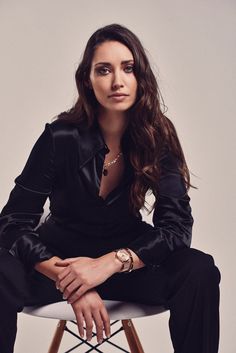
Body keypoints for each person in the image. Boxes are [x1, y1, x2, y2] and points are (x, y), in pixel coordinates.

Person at [0, 23, 221, 353]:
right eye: (103, 70)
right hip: (56, 264)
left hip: (125, 265)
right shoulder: (59, 137)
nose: (117, 81)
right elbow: (13, 224)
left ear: (140, 77)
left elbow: (176, 228)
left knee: (199, 270)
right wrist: (72, 280)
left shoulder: (157, 137)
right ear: (88, 81)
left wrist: (109, 264)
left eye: (128, 68)